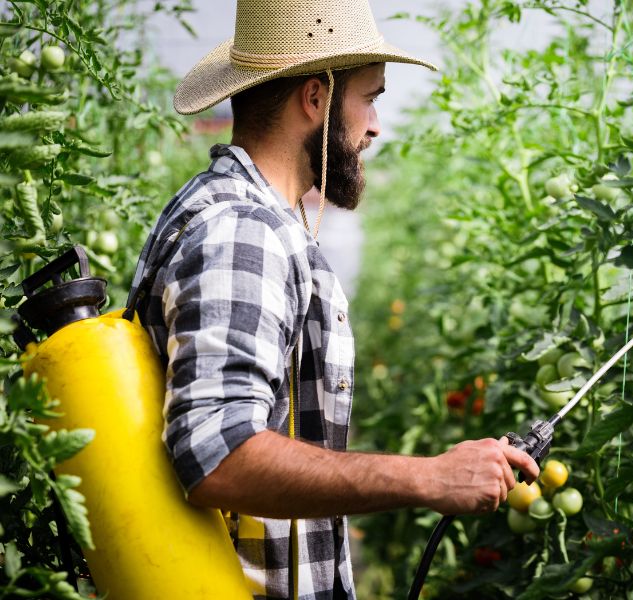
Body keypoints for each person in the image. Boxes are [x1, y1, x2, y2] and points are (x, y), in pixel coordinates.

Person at [129, 1, 539, 598]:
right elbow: (219, 453)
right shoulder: (244, 232)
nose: (375, 126)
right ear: (316, 98)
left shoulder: (240, 213)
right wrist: (428, 478)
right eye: (369, 98)